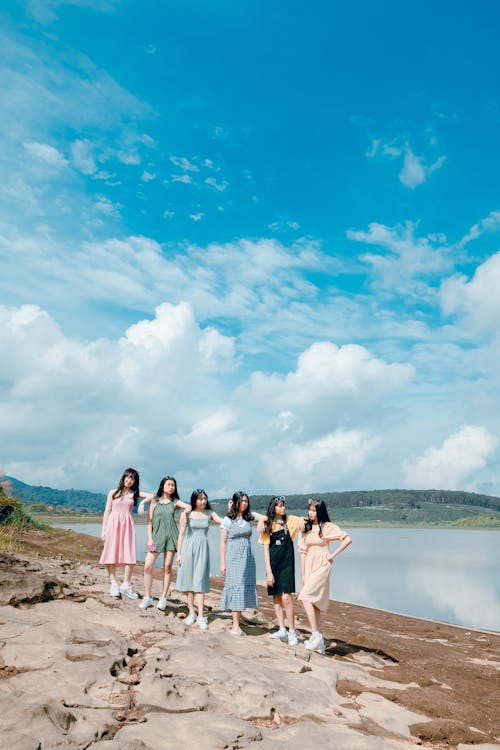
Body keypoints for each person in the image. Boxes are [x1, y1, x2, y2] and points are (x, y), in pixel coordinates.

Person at [298, 499, 352, 654]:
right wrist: (302, 574)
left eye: (313, 511)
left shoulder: (327, 527)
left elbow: (347, 539)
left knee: (305, 598)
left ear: (320, 512)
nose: (310, 513)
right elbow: (302, 552)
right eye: (309, 510)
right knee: (312, 602)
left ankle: (315, 635)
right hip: (309, 565)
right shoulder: (306, 528)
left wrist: (332, 555)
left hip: (322, 565)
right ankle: (320, 642)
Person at [99, 467, 154, 599]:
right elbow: (107, 511)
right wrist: (103, 530)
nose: (129, 480)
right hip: (113, 524)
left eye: (133, 478)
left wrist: (142, 504)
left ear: (135, 481)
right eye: (128, 477)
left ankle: (126, 585)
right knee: (110, 553)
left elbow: (152, 496)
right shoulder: (113, 493)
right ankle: (113, 583)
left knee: (130, 554)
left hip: (127, 525)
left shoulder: (134, 493)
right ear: (123, 477)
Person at [139, 476, 191, 611]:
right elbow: (149, 522)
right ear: (163, 486)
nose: (171, 487)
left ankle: (163, 598)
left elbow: (189, 506)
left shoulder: (175, 502)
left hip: (171, 536)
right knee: (147, 566)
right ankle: (148, 597)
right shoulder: (154, 502)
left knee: (167, 567)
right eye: (169, 484)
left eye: (173, 485)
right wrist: (150, 539)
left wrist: (184, 513)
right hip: (155, 538)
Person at [219, 491, 266, 636]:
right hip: (233, 556)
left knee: (243, 587)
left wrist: (261, 522)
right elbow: (222, 542)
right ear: (235, 502)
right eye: (242, 501)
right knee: (236, 587)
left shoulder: (249, 516)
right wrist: (222, 563)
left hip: (248, 557)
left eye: (246, 501)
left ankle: (237, 625)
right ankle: (235, 626)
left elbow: (264, 517)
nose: (244, 503)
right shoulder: (228, 519)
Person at [259, 496, 303, 646]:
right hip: (273, 564)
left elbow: (305, 521)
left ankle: (292, 631)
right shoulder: (267, 525)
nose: (283, 508)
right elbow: (265, 550)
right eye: (279, 506)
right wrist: (269, 572)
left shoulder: (291, 520)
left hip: (287, 564)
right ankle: (282, 629)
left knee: (287, 598)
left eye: (283, 505)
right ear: (273, 508)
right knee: (276, 598)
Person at [176, 489, 223, 630]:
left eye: (205, 498)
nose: (203, 501)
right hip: (188, 548)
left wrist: (232, 512)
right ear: (194, 500)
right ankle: (192, 613)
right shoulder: (187, 514)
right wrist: (179, 554)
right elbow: (182, 534)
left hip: (202, 549)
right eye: (200, 499)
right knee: (189, 582)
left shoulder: (210, 513)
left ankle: (201, 616)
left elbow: (222, 521)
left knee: (199, 582)